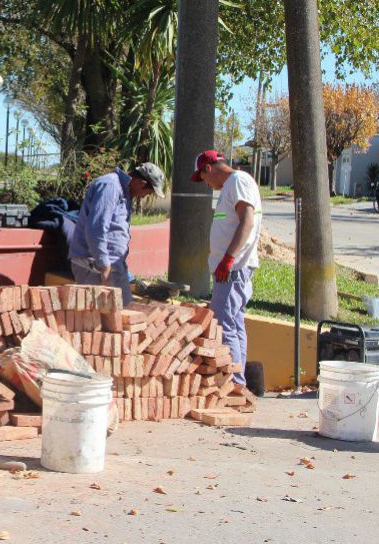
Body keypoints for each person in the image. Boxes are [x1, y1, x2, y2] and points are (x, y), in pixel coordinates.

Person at [191, 150, 262, 386]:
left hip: (233, 269)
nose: (207, 184)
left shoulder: (238, 181)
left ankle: (235, 384)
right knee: (234, 323)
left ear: (208, 168)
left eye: (204, 178)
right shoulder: (232, 185)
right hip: (229, 268)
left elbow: (247, 221)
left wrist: (229, 258)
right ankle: (238, 382)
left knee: (224, 323)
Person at [69, 162, 167, 306]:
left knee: (124, 313)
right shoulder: (110, 186)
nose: (145, 196)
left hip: (113, 268)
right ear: (141, 183)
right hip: (94, 268)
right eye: (148, 192)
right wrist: (104, 267)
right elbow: (96, 228)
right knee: (99, 320)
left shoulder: (126, 192)